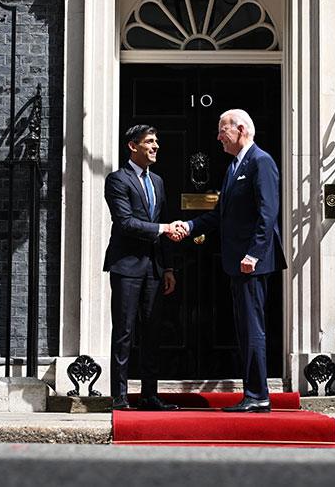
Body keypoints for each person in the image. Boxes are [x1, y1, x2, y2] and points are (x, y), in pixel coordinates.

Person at [178, 109, 286, 413]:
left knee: (252, 328)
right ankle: (254, 392)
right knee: (245, 328)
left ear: (240, 129)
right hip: (238, 261)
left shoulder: (260, 162)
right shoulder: (234, 166)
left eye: (221, 130)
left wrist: (254, 253)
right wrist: (189, 227)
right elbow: (219, 214)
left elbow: (268, 213)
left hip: (251, 262)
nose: (217, 137)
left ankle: (258, 395)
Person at [104, 124, 186, 411]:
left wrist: (169, 269)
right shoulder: (117, 180)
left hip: (154, 268)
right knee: (124, 332)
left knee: (152, 332)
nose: (156, 147)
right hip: (126, 266)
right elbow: (125, 222)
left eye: (156, 141)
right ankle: (120, 396)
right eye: (150, 141)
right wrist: (164, 228)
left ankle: (150, 395)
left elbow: (161, 219)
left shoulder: (158, 182)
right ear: (133, 146)